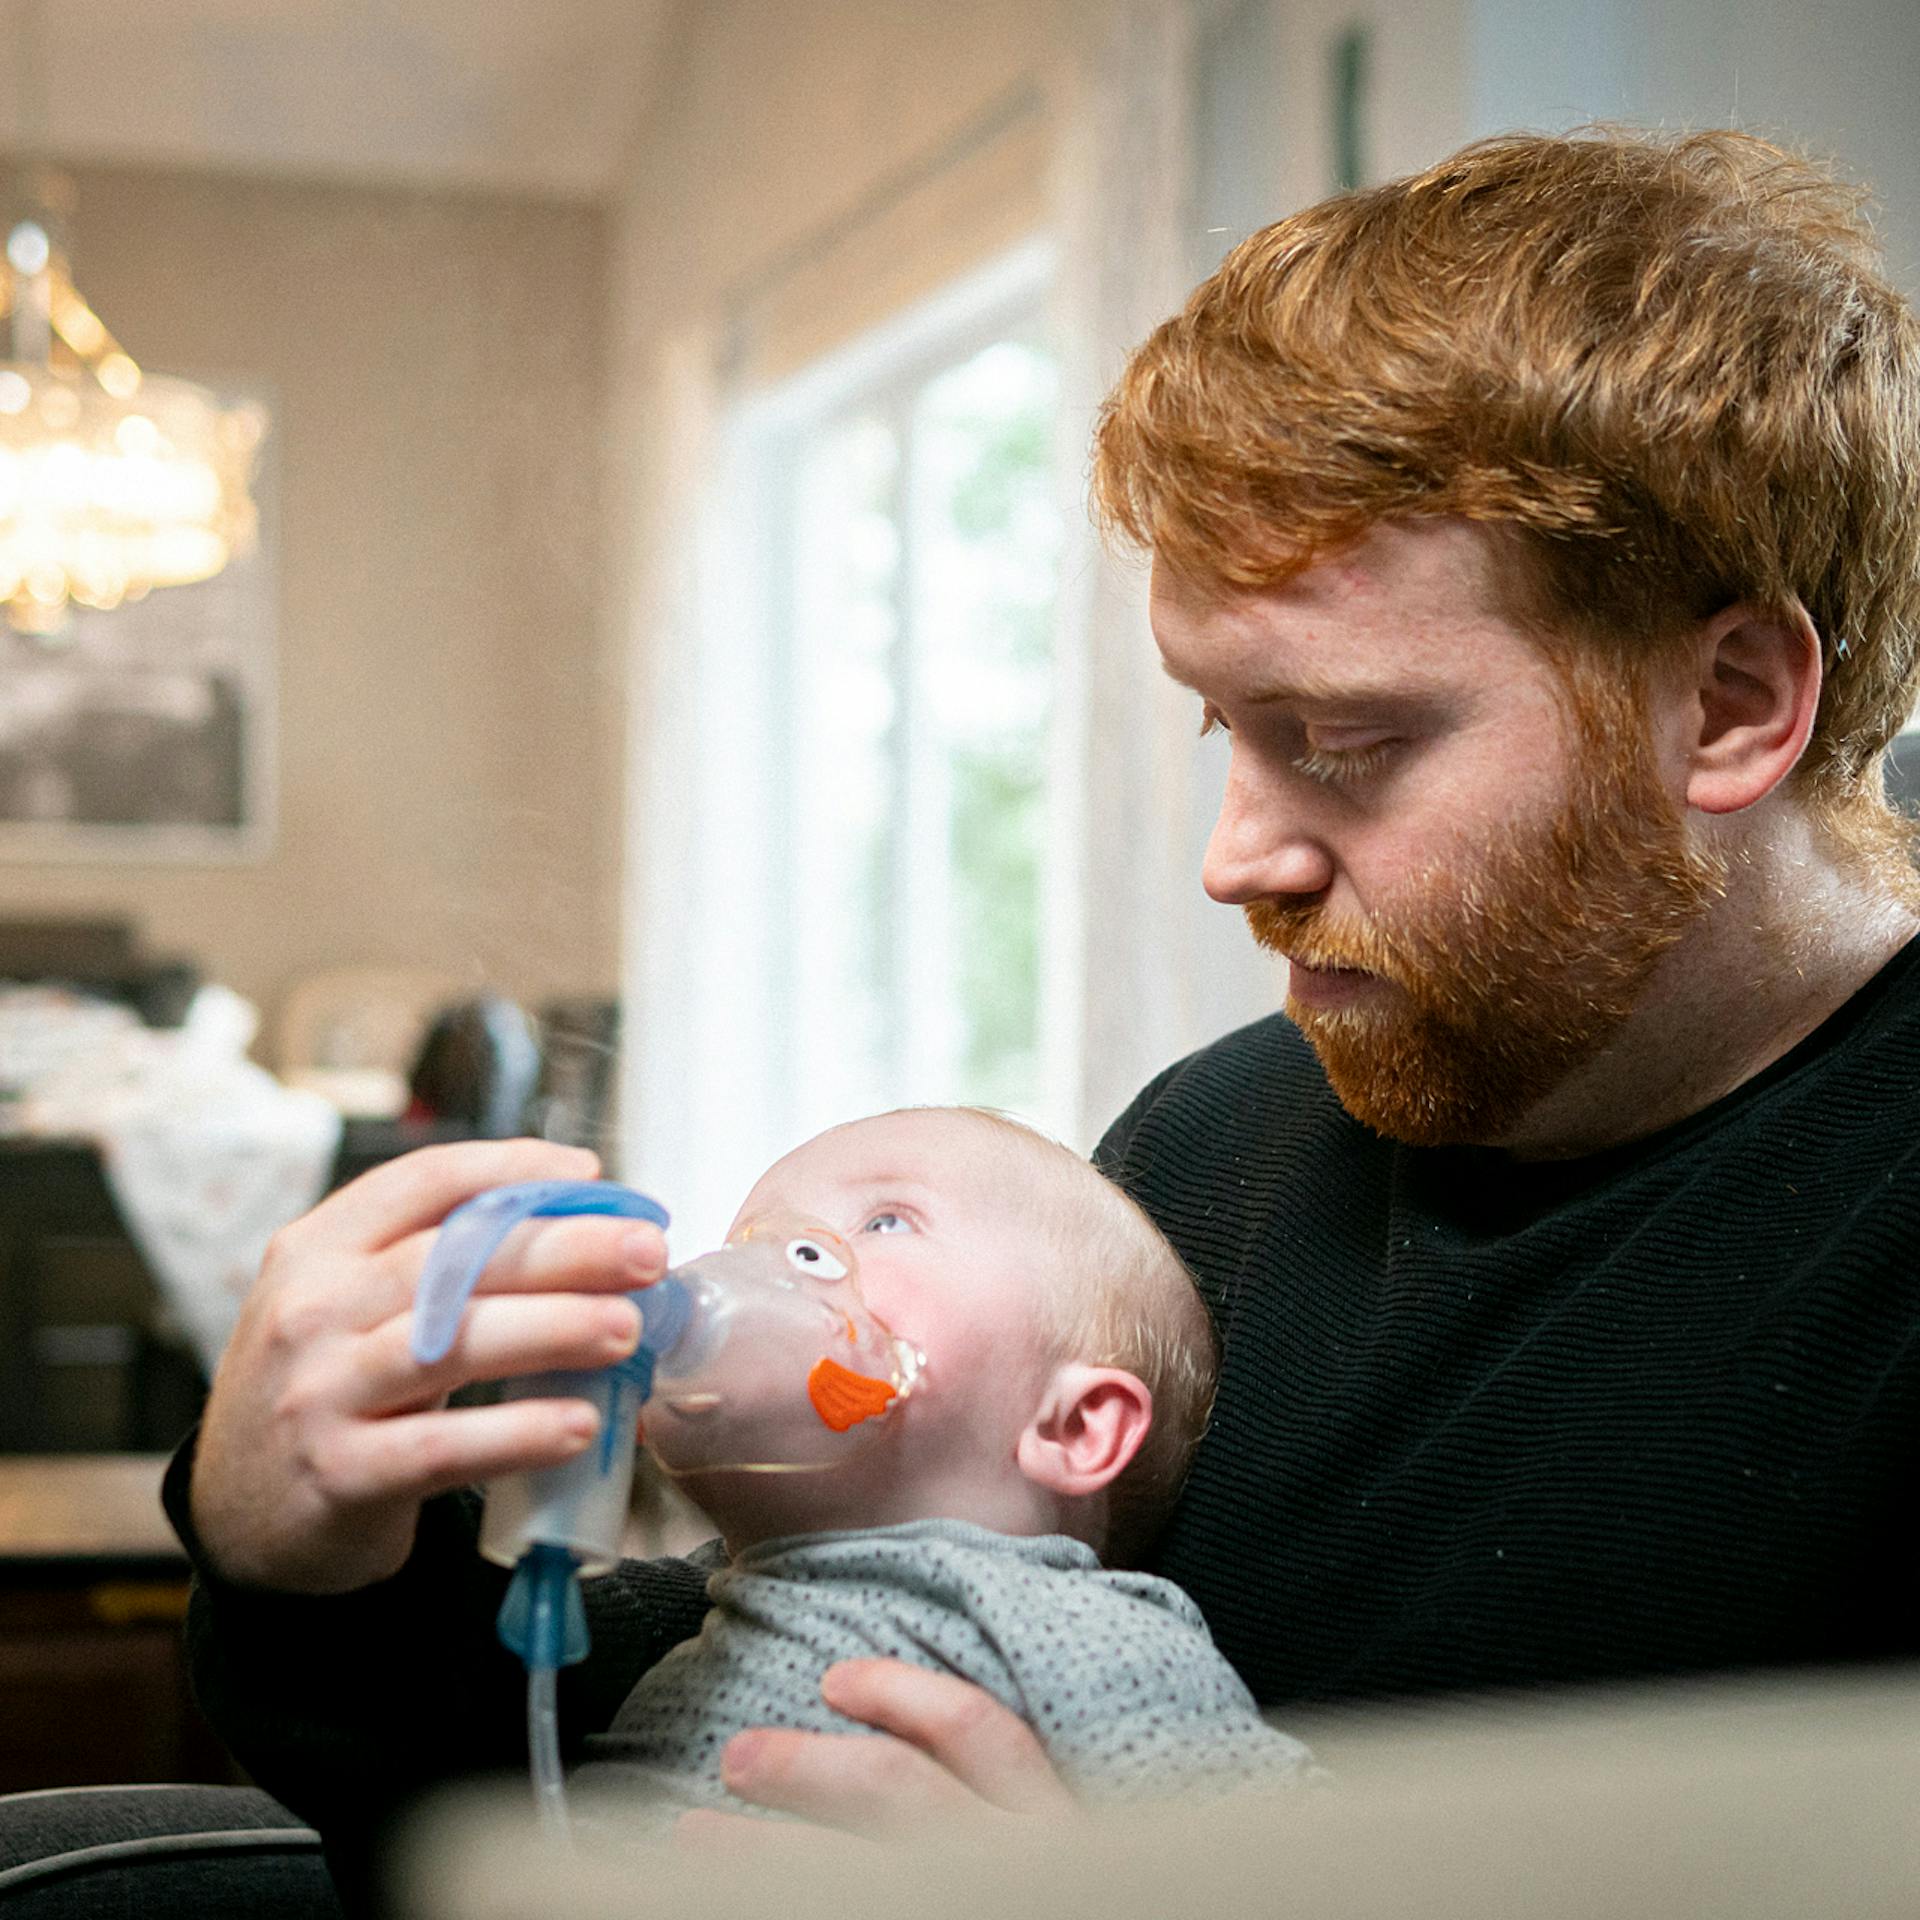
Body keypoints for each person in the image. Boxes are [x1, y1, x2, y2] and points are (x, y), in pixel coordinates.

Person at [167, 124, 1920, 1877]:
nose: (1238, 858)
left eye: (1353, 744)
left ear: (1735, 704)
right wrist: (302, 1564)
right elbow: (660, 1738)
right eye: (1222, 727)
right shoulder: (1226, 1144)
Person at [561, 1105, 1309, 1837]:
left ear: (1075, 1428)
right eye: (750, 1239)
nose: (770, 1268)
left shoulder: (1085, 1641)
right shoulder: (689, 1654)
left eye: (885, 1222)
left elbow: (1319, 1865)